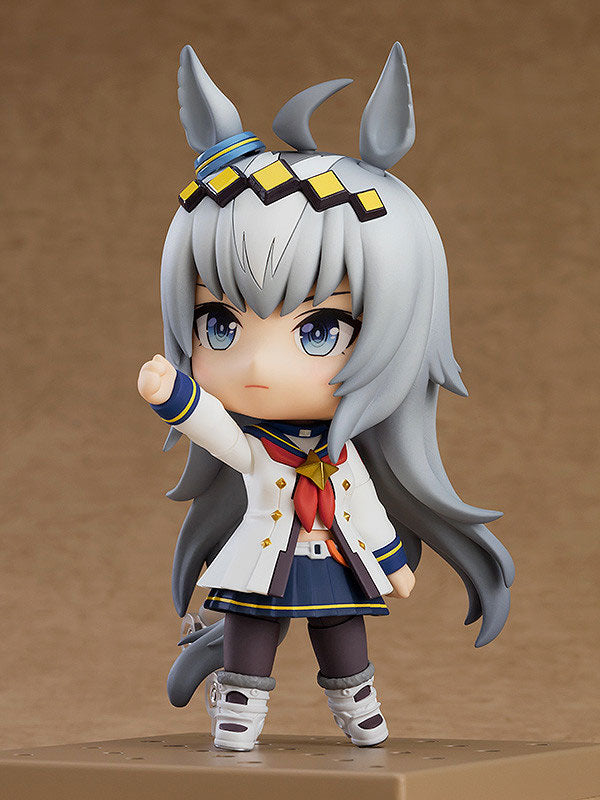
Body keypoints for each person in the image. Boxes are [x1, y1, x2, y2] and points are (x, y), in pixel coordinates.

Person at [137, 43, 514, 751]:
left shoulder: (340, 457)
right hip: (259, 563)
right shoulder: (262, 449)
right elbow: (217, 431)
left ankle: (359, 710)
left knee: (343, 635)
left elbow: (362, 505)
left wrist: (392, 565)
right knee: (251, 635)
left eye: (319, 330)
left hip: (336, 563)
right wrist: (174, 396)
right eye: (219, 324)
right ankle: (238, 715)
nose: (257, 364)